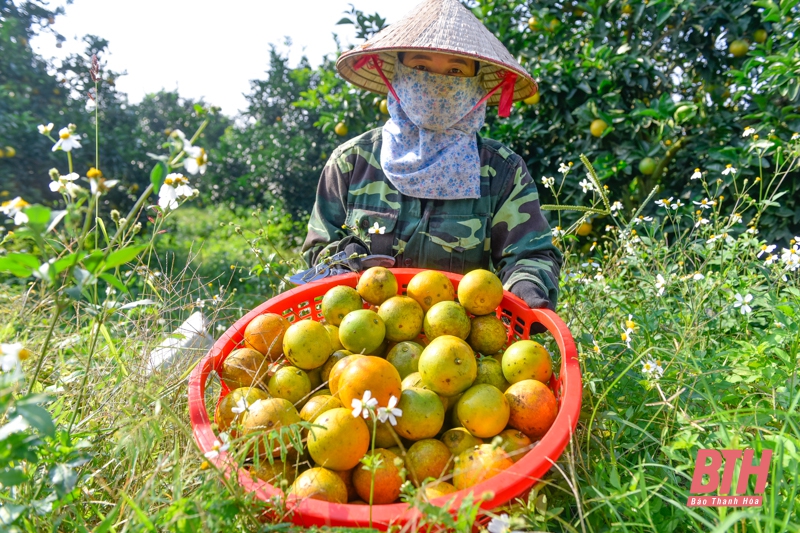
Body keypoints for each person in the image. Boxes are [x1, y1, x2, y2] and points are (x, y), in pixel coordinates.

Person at [302, 0, 562, 313]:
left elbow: (529, 255)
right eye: (421, 67)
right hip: (361, 344)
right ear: (397, 73)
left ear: (477, 86)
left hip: (461, 345)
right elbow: (319, 248)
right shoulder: (352, 162)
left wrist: (526, 294)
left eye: (455, 71)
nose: (437, 84)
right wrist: (346, 259)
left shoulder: (501, 171)